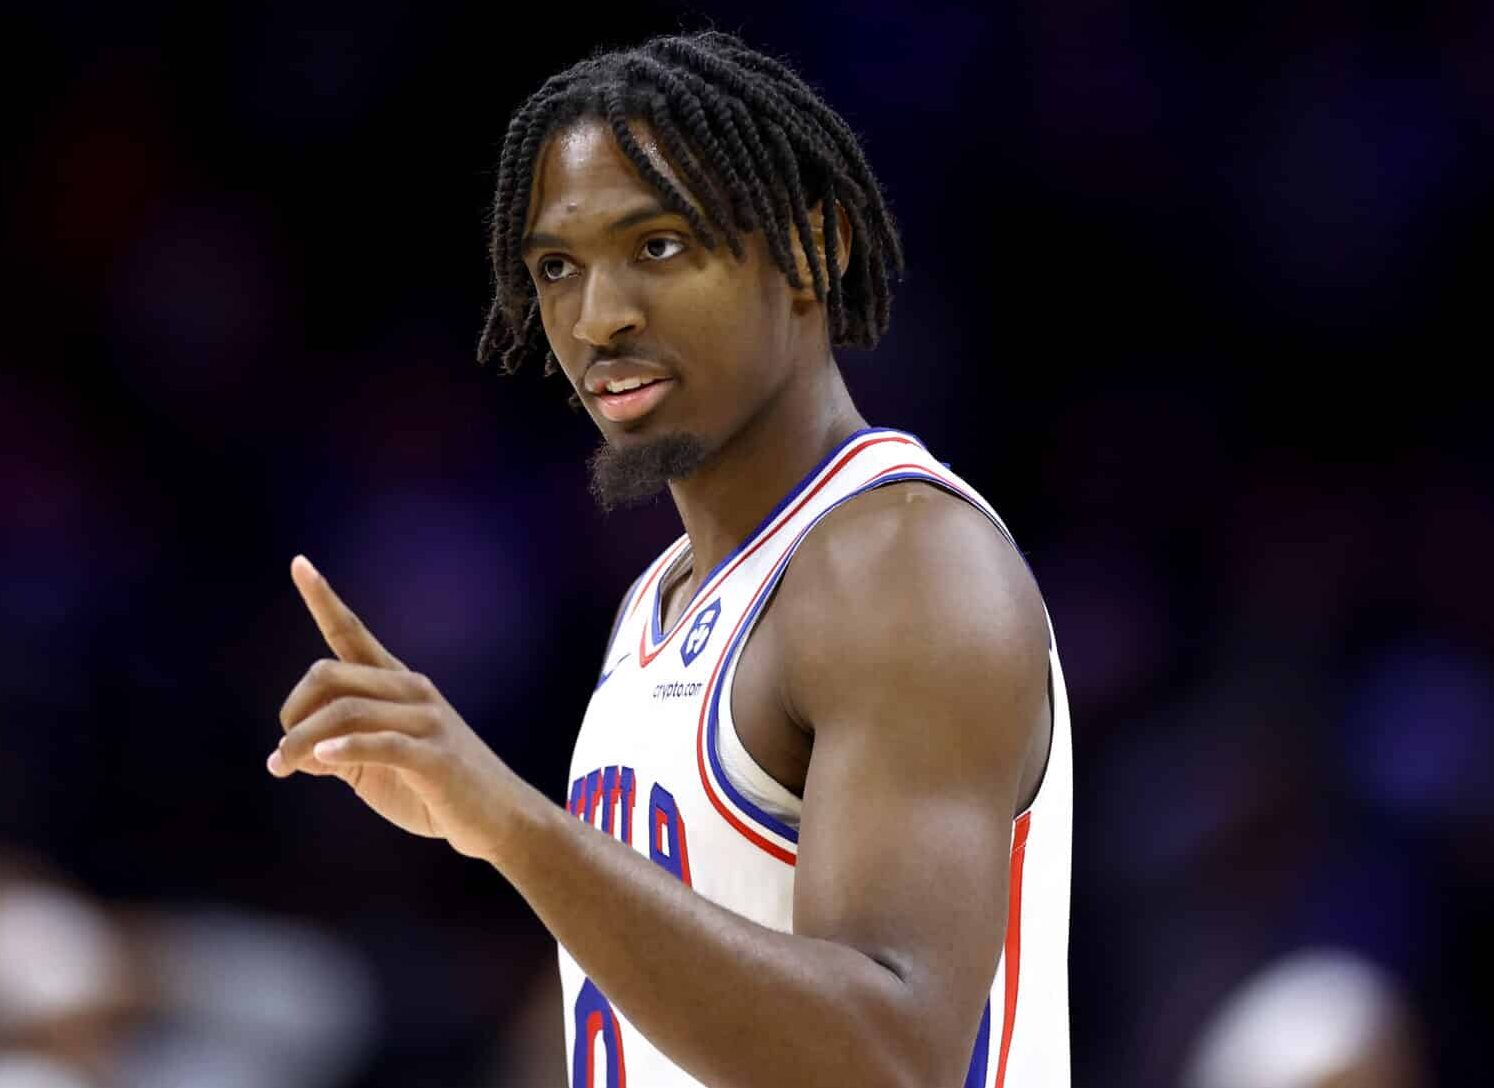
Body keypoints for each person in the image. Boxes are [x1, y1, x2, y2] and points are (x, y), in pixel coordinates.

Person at [268, 29, 1072, 1088]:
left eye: (656, 245)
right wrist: (493, 832)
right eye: (558, 267)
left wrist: (510, 824)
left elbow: (893, 1055)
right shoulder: (662, 599)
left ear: (812, 247)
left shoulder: (900, 565)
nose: (598, 318)